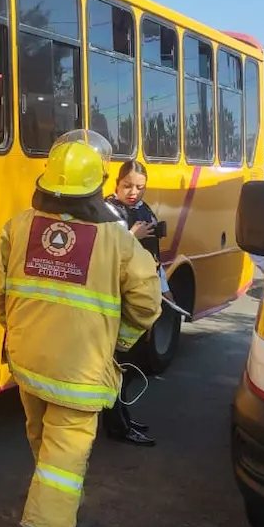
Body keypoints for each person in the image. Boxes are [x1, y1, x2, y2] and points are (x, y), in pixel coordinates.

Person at [0, 129, 161, 527]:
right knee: (64, 457)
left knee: (46, 446)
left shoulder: (18, 227)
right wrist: (118, 342)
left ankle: (52, 513)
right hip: (79, 372)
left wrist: (21, 328)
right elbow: (147, 303)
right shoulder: (118, 241)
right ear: (96, 188)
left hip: (28, 362)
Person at [101, 160, 169, 448]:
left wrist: (164, 289)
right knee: (119, 366)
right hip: (118, 300)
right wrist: (132, 237)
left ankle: (124, 416)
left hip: (140, 301)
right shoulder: (107, 211)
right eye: (127, 186)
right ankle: (117, 425)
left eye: (139, 187)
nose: (133, 192)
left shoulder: (143, 210)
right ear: (116, 183)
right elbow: (106, 255)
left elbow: (154, 257)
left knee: (134, 365)